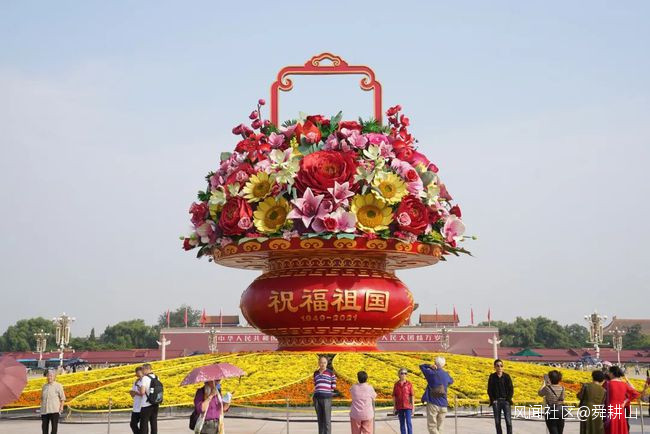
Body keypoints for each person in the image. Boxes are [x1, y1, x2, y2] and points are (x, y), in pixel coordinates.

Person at [420, 356, 454, 434]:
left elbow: (421, 366)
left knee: (432, 426)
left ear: (435, 363)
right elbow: (451, 381)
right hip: (443, 404)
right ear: (443, 364)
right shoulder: (446, 374)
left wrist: (429, 366)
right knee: (440, 427)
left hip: (433, 403)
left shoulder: (431, 373)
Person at [604, 365, 640, 434]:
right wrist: (625, 401)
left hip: (610, 410)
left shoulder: (607, 384)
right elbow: (636, 394)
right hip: (620, 410)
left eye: (609, 372)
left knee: (611, 430)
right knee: (620, 430)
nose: (608, 374)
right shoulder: (624, 384)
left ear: (612, 373)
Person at [487, 359, 513, 434]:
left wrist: (508, 399)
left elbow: (511, 389)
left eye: (501, 366)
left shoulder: (507, 376)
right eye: (498, 366)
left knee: (508, 422)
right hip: (496, 402)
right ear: (495, 367)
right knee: (497, 422)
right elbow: (489, 389)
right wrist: (493, 400)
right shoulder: (492, 377)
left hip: (505, 401)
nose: (500, 367)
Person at [577, 370, 606, 434]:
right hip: (596, 411)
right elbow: (602, 402)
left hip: (586, 409)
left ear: (593, 377)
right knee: (596, 429)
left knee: (586, 428)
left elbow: (580, 396)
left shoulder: (586, 386)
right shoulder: (603, 390)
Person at [313, 355, 336, 434]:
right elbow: (315, 383)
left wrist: (330, 391)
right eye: (321, 362)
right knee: (320, 419)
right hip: (317, 398)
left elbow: (334, 383)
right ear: (318, 363)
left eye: (324, 362)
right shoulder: (315, 373)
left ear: (327, 363)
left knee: (327, 420)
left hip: (326, 398)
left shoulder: (330, 372)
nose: (322, 364)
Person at [538, 370, 566, 434]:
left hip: (551, 412)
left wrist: (543, 383)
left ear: (550, 379)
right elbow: (562, 398)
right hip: (560, 411)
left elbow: (540, 393)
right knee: (560, 432)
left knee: (553, 431)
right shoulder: (562, 388)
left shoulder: (547, 388)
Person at [40, 369, 65, 434]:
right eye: (48, 376)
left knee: (54, 429)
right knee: (44, 428)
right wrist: (41, 408)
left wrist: (61, 407)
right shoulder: (44, 386)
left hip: (54, 410)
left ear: (54, 377)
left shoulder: (58, 385)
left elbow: (62, 398)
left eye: (51, 376)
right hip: (45, 410)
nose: (49, 377)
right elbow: (42, 398)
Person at [139, 363, 159, 434]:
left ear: (146, 369)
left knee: (144, 423)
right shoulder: (156, 377)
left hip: (146, 404)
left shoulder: (145, 378)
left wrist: (139, 389)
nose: (142, 371)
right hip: (155, 403)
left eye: (143, 369)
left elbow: (142, 392)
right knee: (153, 422)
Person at [393, 368, 415, 434]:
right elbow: (394, 396)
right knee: (402, 423)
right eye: (402, 373)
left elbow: (412, 395)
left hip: (408, 406)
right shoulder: (396, 385)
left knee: (408, 422)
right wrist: (394, 407)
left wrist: (413, 407)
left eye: (405, 373)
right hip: (399, 406)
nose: (404, 375)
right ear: (399, 374)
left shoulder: (409, 384)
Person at [129, 367, 144, 434]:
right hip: (136, 407)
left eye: (139, 373)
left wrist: (136, 393)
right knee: (133, 424)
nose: (137, 375)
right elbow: (133, 393)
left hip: (143, 407)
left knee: (143, 426)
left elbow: (143, 394)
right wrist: (132, 393)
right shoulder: (136, 381)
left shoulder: (145, 381)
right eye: (137, 373)